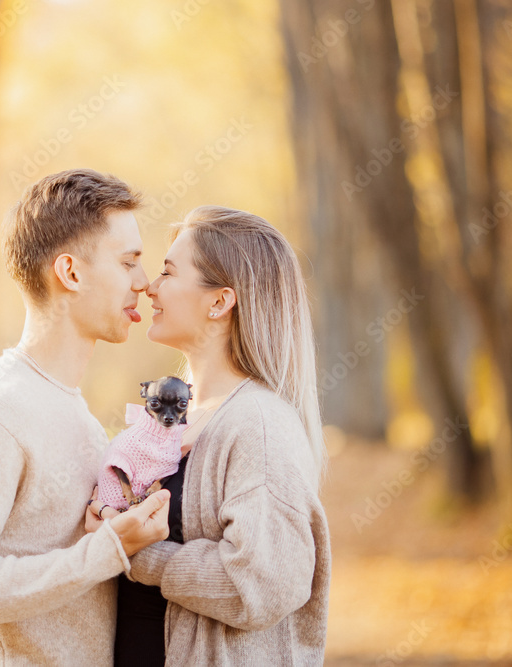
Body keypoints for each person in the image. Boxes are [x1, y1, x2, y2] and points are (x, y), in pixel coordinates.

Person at [0, 168, 171, 666]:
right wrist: (102, 552)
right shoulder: (0, 411)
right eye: (128, 262)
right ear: (71, 273)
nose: (144, 282)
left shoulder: (71, 410)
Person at [90, 205, 331, 666]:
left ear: (219, 302)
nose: (150, 286)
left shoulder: (258, 424)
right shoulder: (176, 415)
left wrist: (140, 556)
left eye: (167, 272)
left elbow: (262, 582)